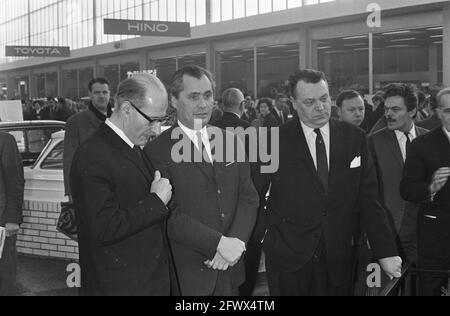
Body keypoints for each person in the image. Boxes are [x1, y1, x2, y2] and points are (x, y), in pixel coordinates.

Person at [253, 69, 402, 296]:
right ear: (293, 103)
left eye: (324, 99)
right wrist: (266, 239)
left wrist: (386, 251)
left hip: (339, 256)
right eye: (310, 102)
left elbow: (369, 198)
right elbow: (253, 195)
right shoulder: (272, 141)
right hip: (288, 260)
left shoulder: (355, 138)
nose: (320, 107)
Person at [145, 65, 259, 296]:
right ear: (174, 101)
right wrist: (219, 244)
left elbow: (248, 197)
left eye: (207, 95)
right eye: (193, 97)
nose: (203, 104)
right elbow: (167, 214)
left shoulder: (231, 142)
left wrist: (233, 245)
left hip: (229, 272)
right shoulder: (156, 151)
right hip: (187, 277)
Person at [70, 74, 174, 296]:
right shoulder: (92, 155)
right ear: (126, 109)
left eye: (162, 121)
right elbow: (103, 227)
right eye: (152, 120)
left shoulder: (132, 148)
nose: (156, 130)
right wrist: (156, 202)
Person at [369, 83, 428, 267]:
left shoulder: (430, 140)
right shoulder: (373, 142)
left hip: (425, 232)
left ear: (411, 111)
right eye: (386, 109)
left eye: (395, 109)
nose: (388, 114)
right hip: (390, 231)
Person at [400, 87, 450, 296]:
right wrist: (430, 188)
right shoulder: (422, 145)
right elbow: (407, 189)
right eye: (448, 111)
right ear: (437, 112)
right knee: (431, 289)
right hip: (436, 237)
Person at [64, 78, 113, 201]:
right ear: (90, 94)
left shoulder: (119, 120)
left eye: (105, 92)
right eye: (97, 93)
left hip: (117, 188)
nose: (101, 96)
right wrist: (71, 192)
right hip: (89, 190)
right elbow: (70, 160)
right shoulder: (76, 122)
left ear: (110, 94)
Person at [0, 132, 24, 296]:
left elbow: (15, 180)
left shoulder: (4, 140)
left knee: (5, 274)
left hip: (1, 220)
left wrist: (12, 218)